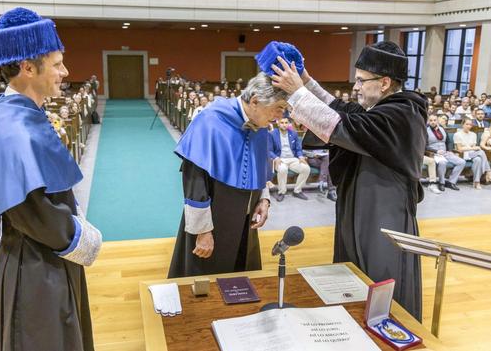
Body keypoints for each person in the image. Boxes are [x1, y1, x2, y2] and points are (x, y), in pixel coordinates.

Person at [0, 7, 101, 351]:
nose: (65, 72)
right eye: (57, 64)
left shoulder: (20, 113)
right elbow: (31, 211)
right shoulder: (11, 128)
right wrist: (81, 235)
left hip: (47, 255)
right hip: (36, 265)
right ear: (28, 67)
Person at [271, 41, 426, 321]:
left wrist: (297, 93)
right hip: (362, 203)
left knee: (378, 272)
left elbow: (343, 126)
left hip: (383, 210)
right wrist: (305, 79)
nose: (355, 87)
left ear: (385, 83)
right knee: (353, 272)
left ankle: (383, 325)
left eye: (361, 80)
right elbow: (340, 108)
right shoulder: (382, 108)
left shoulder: (403, 113)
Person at [168, 69, 289, 278]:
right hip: (214, 220)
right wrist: (203, 231)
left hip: (246, 220)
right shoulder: (210, 121)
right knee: (207, 279)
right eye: (278, 108)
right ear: (255, 101)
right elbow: (194, 182)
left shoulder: (261, 125)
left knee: (241, 276)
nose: (281, 117)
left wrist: (264, 199)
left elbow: (260, 164)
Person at [269, 117, 310, 201]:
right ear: (278, 123)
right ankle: (282, 192)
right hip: (280, 159)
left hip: (292, 158)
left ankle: (297, 191)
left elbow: (298, 149)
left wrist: (301, 157)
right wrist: (276, 158)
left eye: (286, 123)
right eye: (282, 123)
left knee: (306, 169)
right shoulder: (272, 134)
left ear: (289, 124)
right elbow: (269, 150)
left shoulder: (293, 133)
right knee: (283, 169)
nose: (284, 125)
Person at [426, 114, 466, 191]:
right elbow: (424, 146)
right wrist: (436, 151)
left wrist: (450, 151)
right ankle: (441, 182)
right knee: (442, 163)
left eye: (434, 120)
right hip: (434, 153)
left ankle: (451, 182)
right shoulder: (425, 131)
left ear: (437, 121)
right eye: (431, 120)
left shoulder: (442, 129)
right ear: (428, 121)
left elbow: (448, 142)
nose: (433, 122)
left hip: (445, 152)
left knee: (462, 162)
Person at [453, 118, 491, 189]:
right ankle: (488, 171)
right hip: (462, 154)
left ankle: (476, 182)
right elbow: (460, 149)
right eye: (467, 124)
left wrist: (473, 148)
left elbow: (474, 147)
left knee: (478, 159)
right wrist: (473, 148)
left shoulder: (473, 134)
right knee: (481, 152)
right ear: (462, 125)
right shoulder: (457, 134)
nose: (468, 126)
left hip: (472, 153)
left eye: (470, 124)